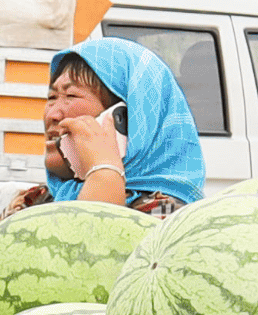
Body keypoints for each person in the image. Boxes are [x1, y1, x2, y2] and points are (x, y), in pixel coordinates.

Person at [30, 38, 206, 215]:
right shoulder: (32, 200)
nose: (52, 115)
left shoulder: (169, 214)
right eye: (52, 97)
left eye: (71, 95)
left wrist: (103, 173)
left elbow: (87, 238)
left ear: (126, 121)